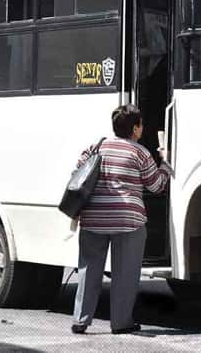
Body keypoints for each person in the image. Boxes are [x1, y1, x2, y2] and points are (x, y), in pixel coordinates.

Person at [71, 104, 172, 335]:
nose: (142, 128)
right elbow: (156, 185)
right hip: (129, 221)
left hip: (93, 219)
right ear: (135, 128)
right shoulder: (140, 152)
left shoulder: (96, 147)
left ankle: (81, 320)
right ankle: (120, 322)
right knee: (125, 274)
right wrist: (164, 163)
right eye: (141, 125)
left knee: (88, 269)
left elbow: (78, 173)